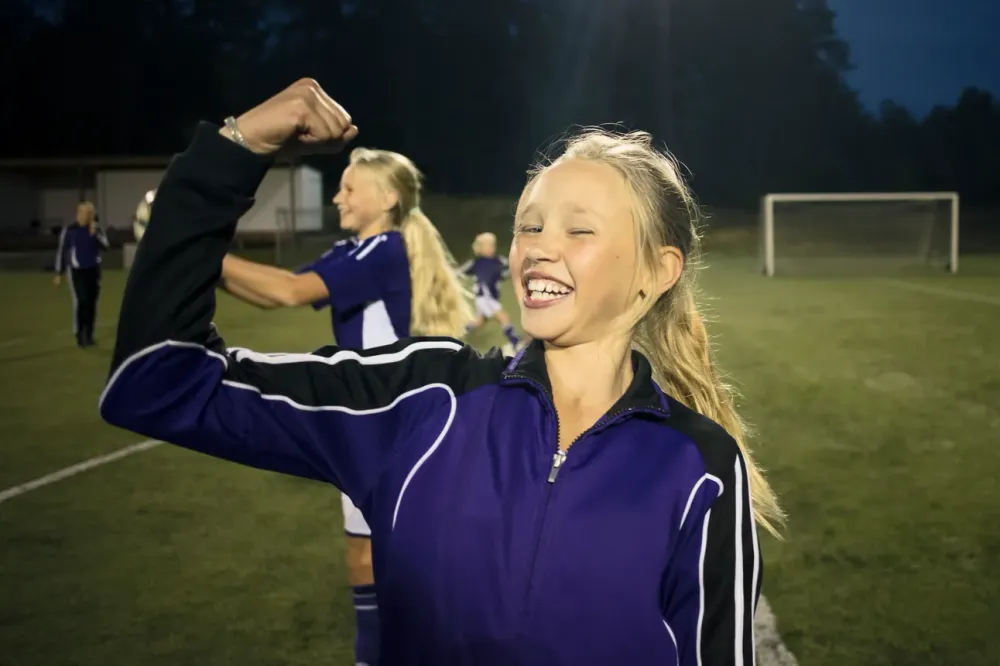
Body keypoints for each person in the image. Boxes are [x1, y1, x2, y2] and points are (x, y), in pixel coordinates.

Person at [100, 79, 783, 666]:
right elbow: (156, 378)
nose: (538, 250)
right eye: (528, 227)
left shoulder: (700, 467)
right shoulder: (422, 400)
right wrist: (234, 148)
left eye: (578, 230)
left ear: (655, 272)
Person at [215, 146, 470, 666]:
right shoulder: (355, 250)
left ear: (388, 198)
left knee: (394, 558)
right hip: (370, 422)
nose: (337, 197)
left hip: (389, 426)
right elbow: (273, 293)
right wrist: (201, 259)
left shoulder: (383, 250)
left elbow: (289, 292)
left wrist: (198, 249)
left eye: (350, 188)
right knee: (364, 554)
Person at [54, 201, 109, 347]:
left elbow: (106, 247)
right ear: (78, 214)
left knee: (92, 303)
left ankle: (89, 335)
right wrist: (59, 272)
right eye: (84, 213)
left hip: (93, 271)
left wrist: (95, 234)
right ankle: (80, 334)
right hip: (77, 271)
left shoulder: (96, 229)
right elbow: (62, 250)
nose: (87, 216)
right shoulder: (70, 230)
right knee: (82, 301)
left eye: (89, 213)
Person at [458, 232, 522, 355]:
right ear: (480, 248)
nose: (492, 248)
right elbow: (460, 271)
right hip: (485, 298)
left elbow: (506, 270)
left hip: (488, 298)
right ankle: (516, 344)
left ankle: (456, 334)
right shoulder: (477, 263)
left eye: (493, 245)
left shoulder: (497, 261)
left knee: (478, 321)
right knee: (504, 317)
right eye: (488, 245)